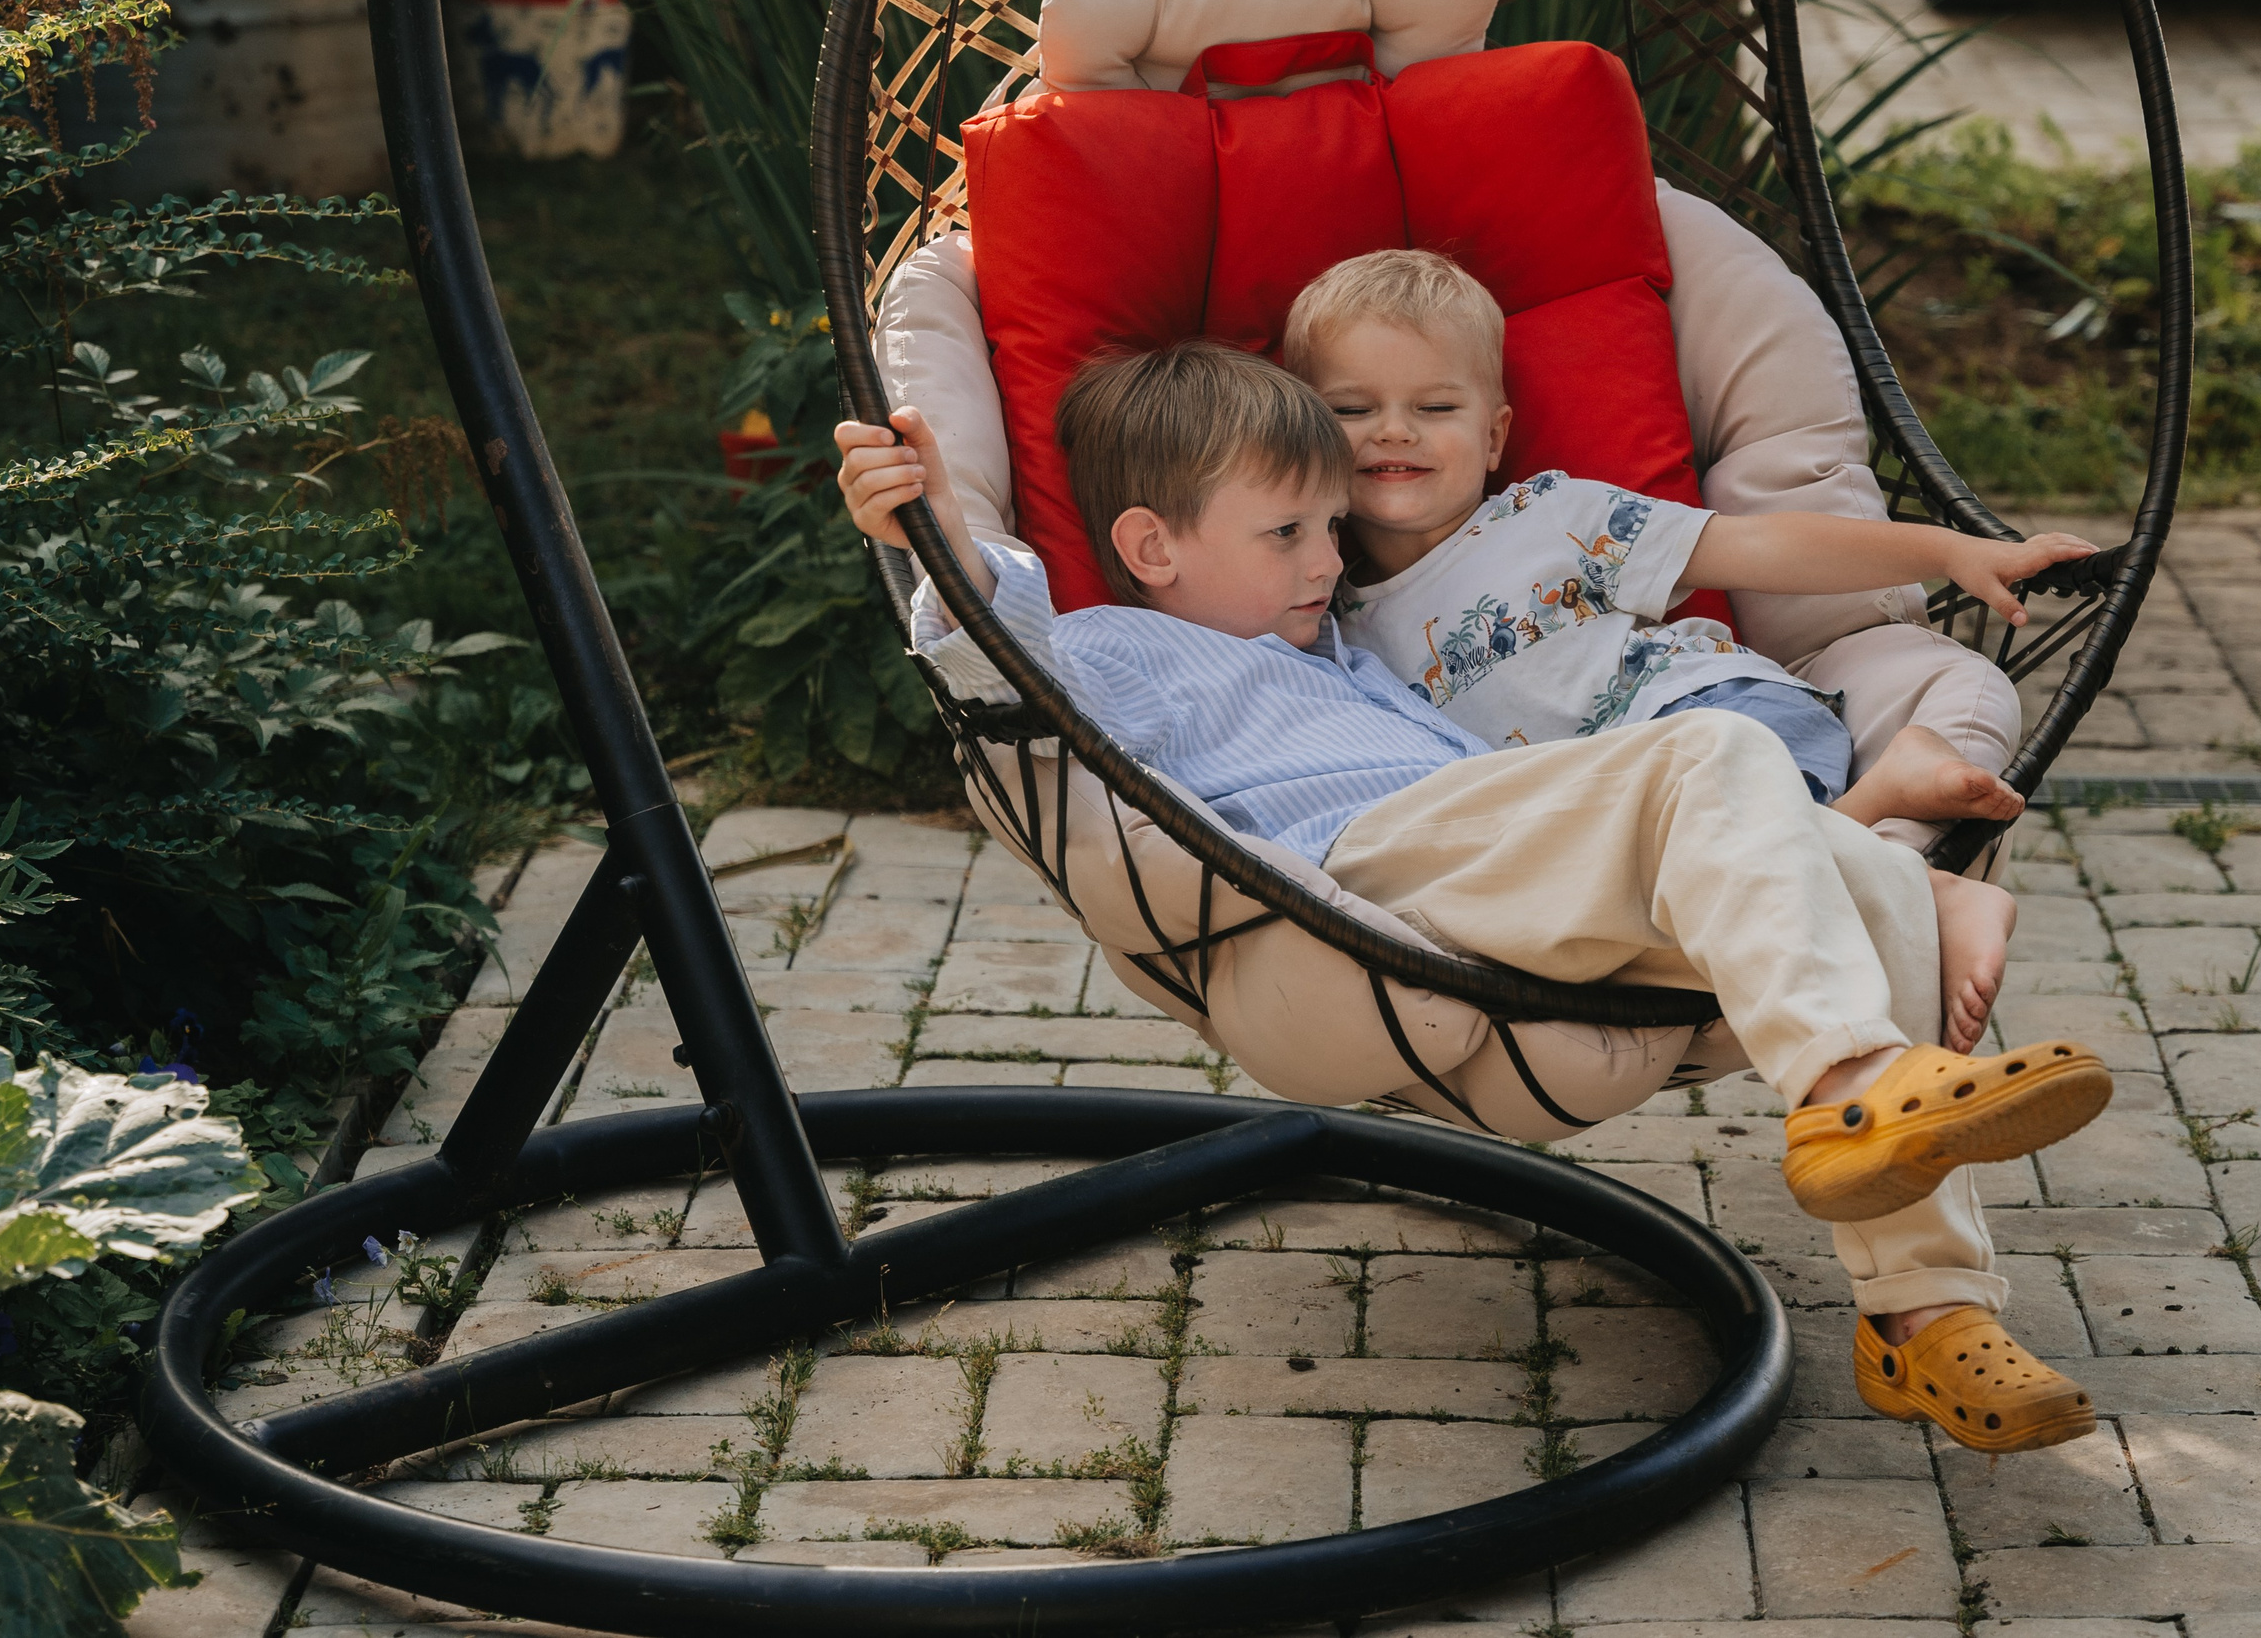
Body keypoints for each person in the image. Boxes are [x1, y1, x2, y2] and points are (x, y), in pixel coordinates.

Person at [835, 342, 2112, 1455]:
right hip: (1359, 878)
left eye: (1330, 527)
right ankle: (1850, 1084)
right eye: (1285, 534)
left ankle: (1924, 1312)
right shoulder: (1121, 648)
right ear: (1150, 547)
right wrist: (937, 530)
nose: (1326, 560)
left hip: (1503, 867)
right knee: (1713, 754)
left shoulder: (1339, 652)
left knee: (1869, 874)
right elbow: (1002, 663)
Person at [1277, 250, 2102, 1052]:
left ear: (1494, 437)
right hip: (1613, 814)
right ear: (1304, 435)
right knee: (1625, 905)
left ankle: (1900, 843)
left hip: (1720, 722)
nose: (1394, 431)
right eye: (1351, 410)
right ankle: (1917, 872)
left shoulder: (1553, 519)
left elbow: (1764, 548)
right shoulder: (1327, 623)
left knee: (1711, 866)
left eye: (1433, 408)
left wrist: (1948, 552)